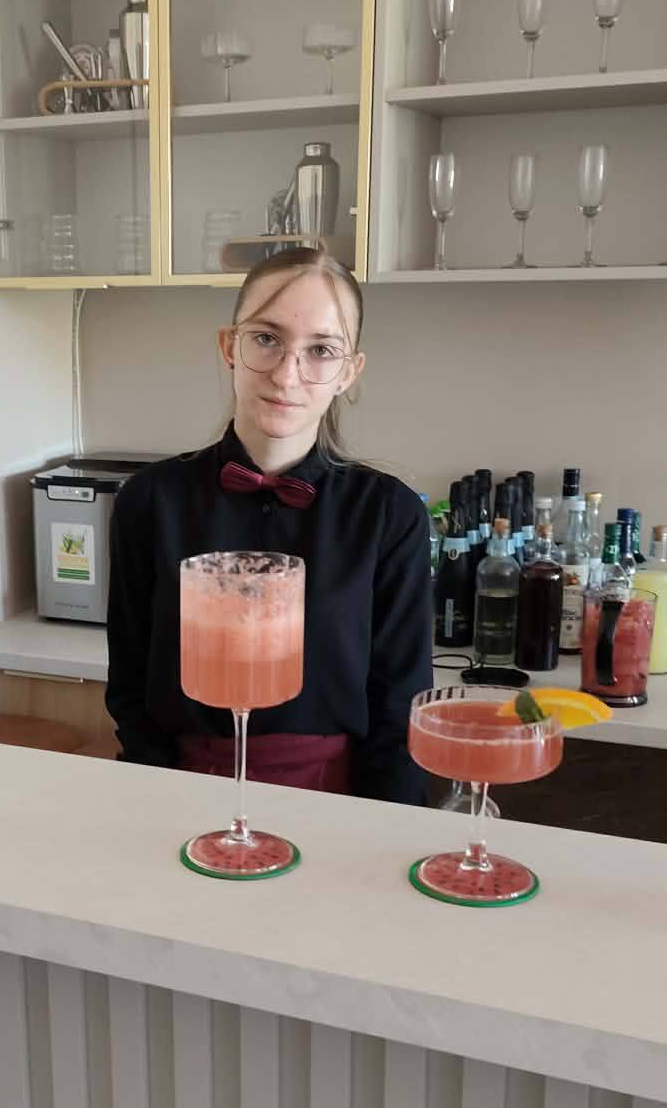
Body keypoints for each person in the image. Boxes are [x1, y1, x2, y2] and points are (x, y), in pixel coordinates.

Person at [105, 248, 431, 804]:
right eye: (266, 338)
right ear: (229, 347)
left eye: (321, 350)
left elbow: (401, 708)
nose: (286, 374)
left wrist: (386, 831)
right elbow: (131, 684)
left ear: (349, 371)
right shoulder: (149, 500)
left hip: (336, 800)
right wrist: (154, 799)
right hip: (178, 790)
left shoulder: (390, 514)